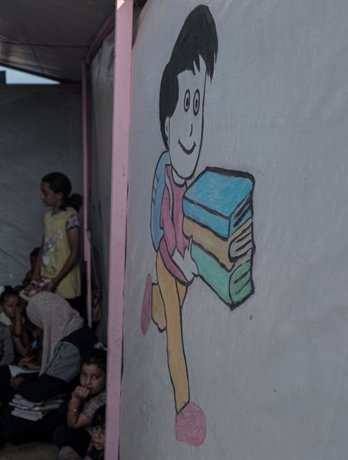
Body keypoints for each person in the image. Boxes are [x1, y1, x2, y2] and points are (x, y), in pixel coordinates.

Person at [140, 4, 218, 446]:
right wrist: (177, 261)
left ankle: (154, 302)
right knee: (178, 335)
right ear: (167, 120)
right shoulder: (169, 176)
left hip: (181, 257)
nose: (193, 124)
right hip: (167, 257)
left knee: (170, 316)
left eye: (199, 104)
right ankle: (184, 406)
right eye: (185, 105)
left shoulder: (196, 179)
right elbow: (167, 228)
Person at [0, 292, 97, 453]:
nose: (38, 330)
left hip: (67, 404)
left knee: (8, 427)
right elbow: (59, 371)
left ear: (47, 317)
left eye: (39, 323)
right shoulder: (75, 326)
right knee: (3, 374)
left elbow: (41, 392)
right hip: (62, 389)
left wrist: (21, 384)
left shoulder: (70, 345)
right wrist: (38, 367)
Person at [32, 172, 83, 314]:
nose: (42, 197)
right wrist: (36, 272)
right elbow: (44, 246)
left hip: (64, 281)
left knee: (65, 320)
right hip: (48, 277)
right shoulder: (48, 217)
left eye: (45, 193)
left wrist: (56, 281)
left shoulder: (70, 216)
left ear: (59, 195)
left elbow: (75, 254)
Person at [53, 349, 107, 457]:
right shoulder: (91, 391)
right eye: (84, 375)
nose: (87, 382)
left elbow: (73, 424)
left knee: (62, 433)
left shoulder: (102, 399)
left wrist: (76, 399)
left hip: (93, 441)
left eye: (95, 377)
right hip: (86, 432)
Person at [0, 285, 35, 359]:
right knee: (15, 334)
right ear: (2, 307)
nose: (14, 309)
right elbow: (17, 333)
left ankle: (27, 350)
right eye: (10, 306)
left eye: (17, 305)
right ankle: (24, 353)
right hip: (5, 349)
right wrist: (18, 316)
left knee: (24, 328)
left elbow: (23, 331)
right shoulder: (3, 319)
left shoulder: (19, 316)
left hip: (16, 346)